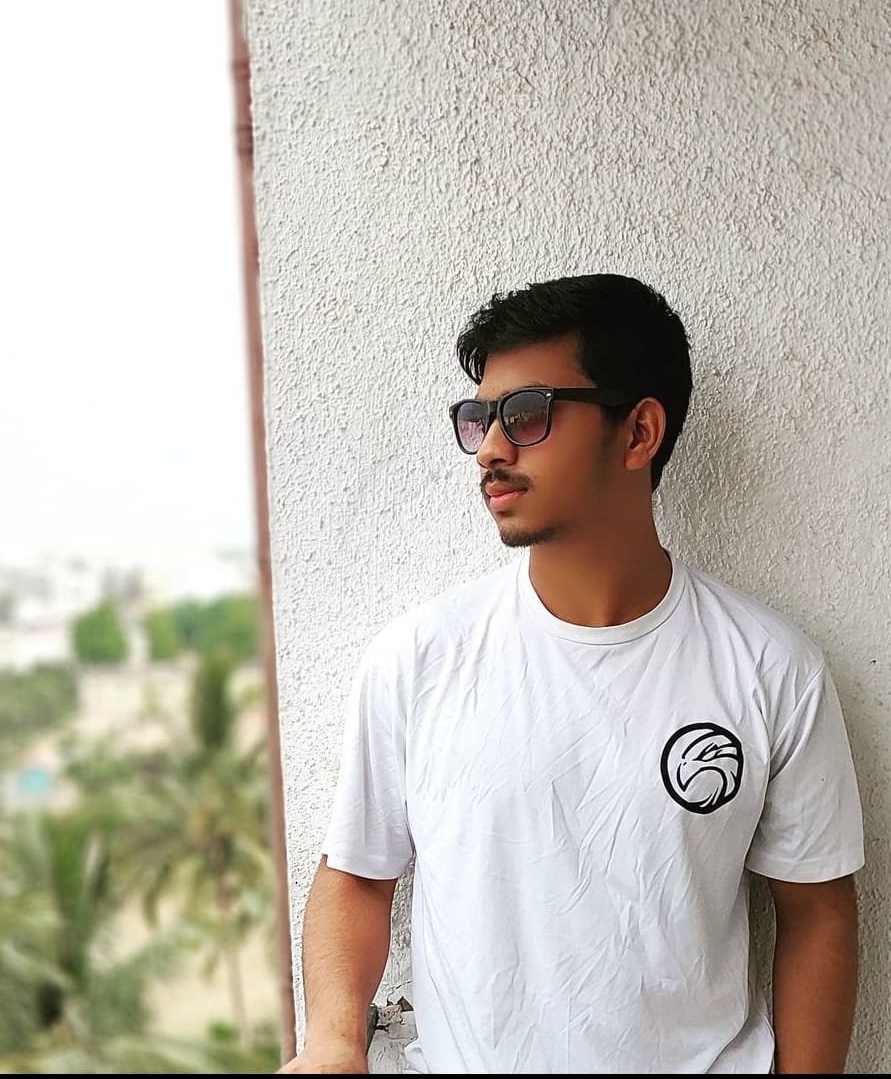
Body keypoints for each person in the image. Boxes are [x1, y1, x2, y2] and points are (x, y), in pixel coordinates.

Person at [277, 274, 864, 1075]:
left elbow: (816, 910)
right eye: (479, 419)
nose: (491, 448)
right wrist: (333, 1043)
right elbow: (356, 874)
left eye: (527, 415)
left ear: (638, 432)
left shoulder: (768, 667)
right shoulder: (421, 657)